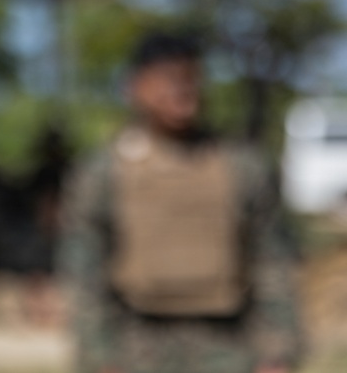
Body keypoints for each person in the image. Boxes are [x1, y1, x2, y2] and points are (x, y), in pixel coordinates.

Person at [58, 31, 304, 373]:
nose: (180, 90)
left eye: (189, 78)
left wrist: (278, 350)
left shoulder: (241, 166)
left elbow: (272, 262)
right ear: (134, 86)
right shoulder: (105, 171)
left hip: (228, 343)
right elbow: (84, 270)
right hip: (137, 343)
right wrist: (98, 356)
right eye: (166, 79)